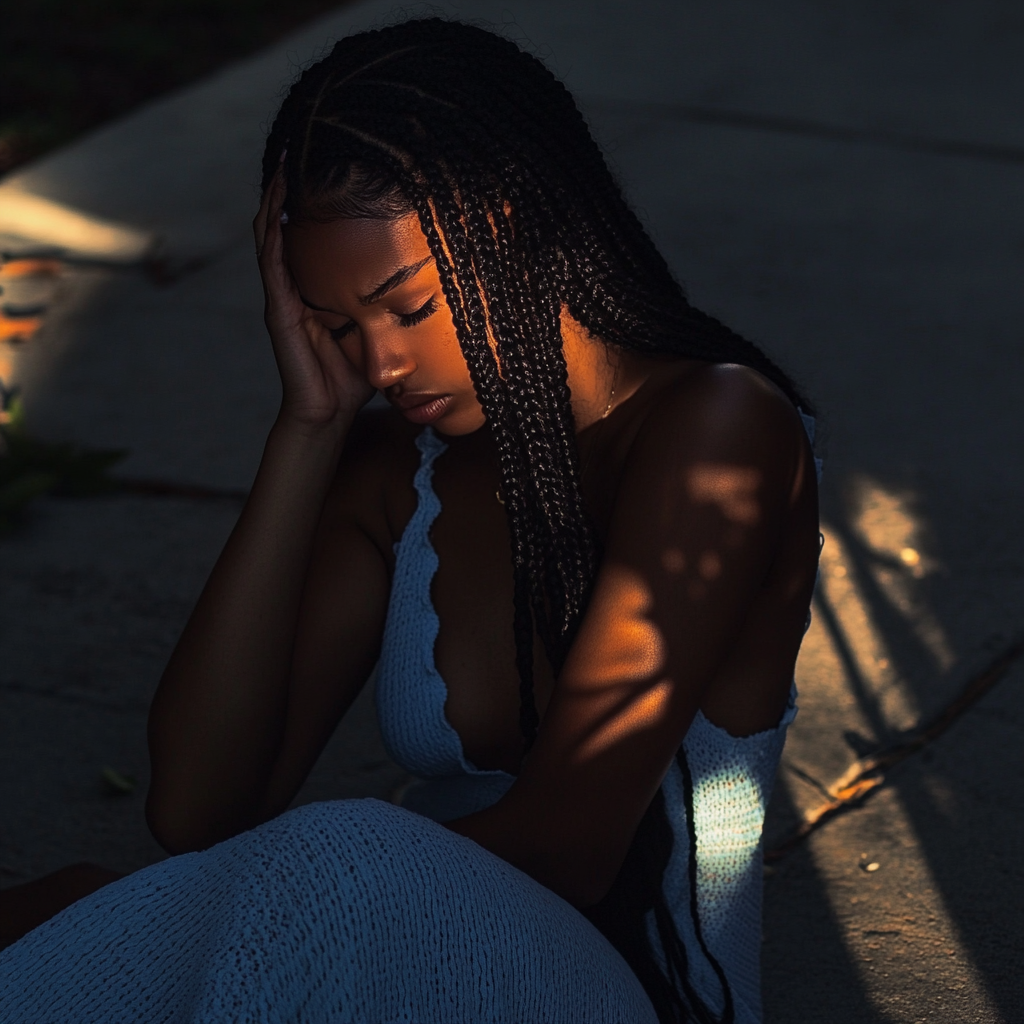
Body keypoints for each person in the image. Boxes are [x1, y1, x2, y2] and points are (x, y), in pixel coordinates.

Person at [0, 18, 819, 1024]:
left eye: (407, 306)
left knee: (326, 854)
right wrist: (306, 431)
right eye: (335, 325)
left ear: (510, 224)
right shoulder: (398, 465)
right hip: (381, 954)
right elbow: (200, 807)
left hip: (622, 990)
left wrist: (240, 898)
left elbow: (570, 845)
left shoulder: (719, 428)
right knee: (71, 910)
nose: (378, 365)